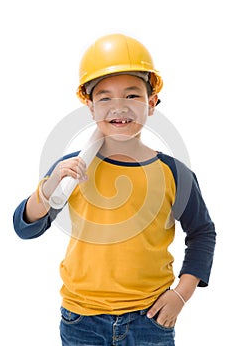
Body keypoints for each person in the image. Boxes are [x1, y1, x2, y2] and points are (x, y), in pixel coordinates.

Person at [13, 33, 216, 346]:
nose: (118, 107)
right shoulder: (72, 168)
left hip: (150, 319)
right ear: (91, 108)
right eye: (105, 98)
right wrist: (48, 187)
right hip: (80, 320)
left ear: (151, 103)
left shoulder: (175, 173)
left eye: (132, 96)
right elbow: (25, 228)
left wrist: (181, 294)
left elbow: (202, 232)